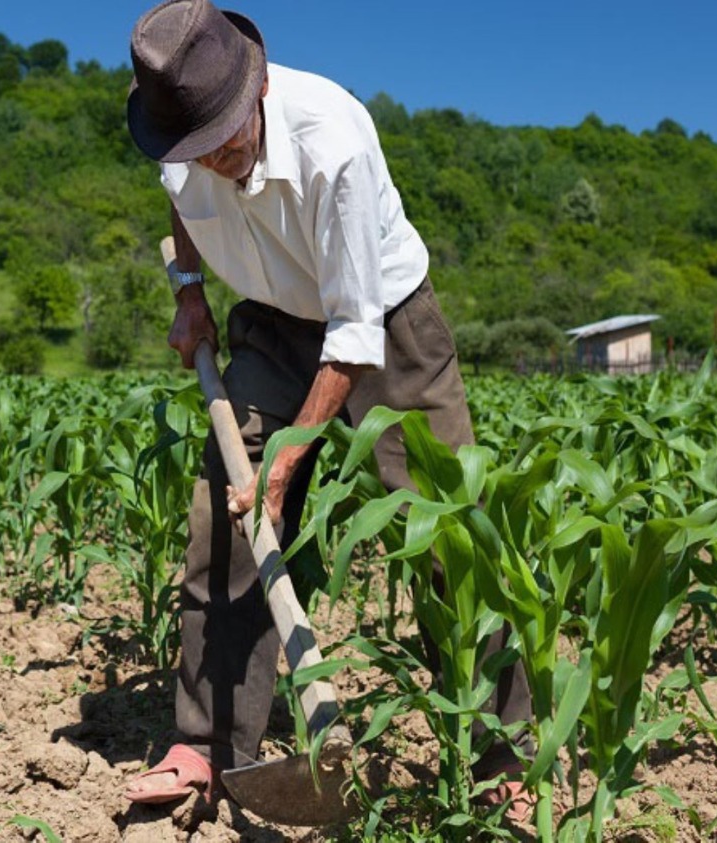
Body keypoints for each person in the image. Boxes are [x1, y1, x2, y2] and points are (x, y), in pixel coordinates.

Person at [122, 0, 534, 821]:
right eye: (199, 150)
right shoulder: (179, 142)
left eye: (229, 139)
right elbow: (182, 206)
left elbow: (353, 334)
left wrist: (291, 457)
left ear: (260, 87)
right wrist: (189, 294)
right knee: (224, 514)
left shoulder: (333, 140)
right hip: (270, 321)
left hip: (383, 319)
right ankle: (209, 746)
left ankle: (506, 751)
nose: (219, 161)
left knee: (448, 526)